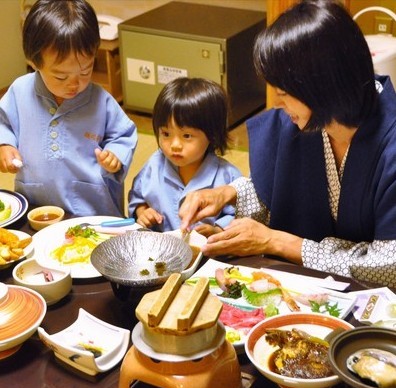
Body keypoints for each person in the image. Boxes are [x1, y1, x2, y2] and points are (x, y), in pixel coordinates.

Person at [179, 0, 396, 289]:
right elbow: (278, 191)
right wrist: (226, 194)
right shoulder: (300, 122)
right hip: (304, 285)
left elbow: (388, 266)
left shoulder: (390, 145)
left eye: (284, 92)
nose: (279, 104)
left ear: (322, 86)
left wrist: (279, 242)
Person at [0, 0, 137, 217]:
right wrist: (5, 145)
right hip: (36, 203)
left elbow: (124, 134)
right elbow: (3, 123)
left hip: (92, 208)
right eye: (61, 76)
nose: (74, 84)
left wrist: (115, 156)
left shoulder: (101, 101)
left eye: (85, 71)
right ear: (34, 62)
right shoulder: (20, 91)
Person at [128, 77, 242, 236]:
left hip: (208, 254)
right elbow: (137, 198)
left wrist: (217, 229)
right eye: (166, 134)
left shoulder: (229, 177)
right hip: (160, 251)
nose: (174, 144)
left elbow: (239, 217)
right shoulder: (154, 165)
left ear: (212, 135)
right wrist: (143, 212)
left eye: (187, 136)